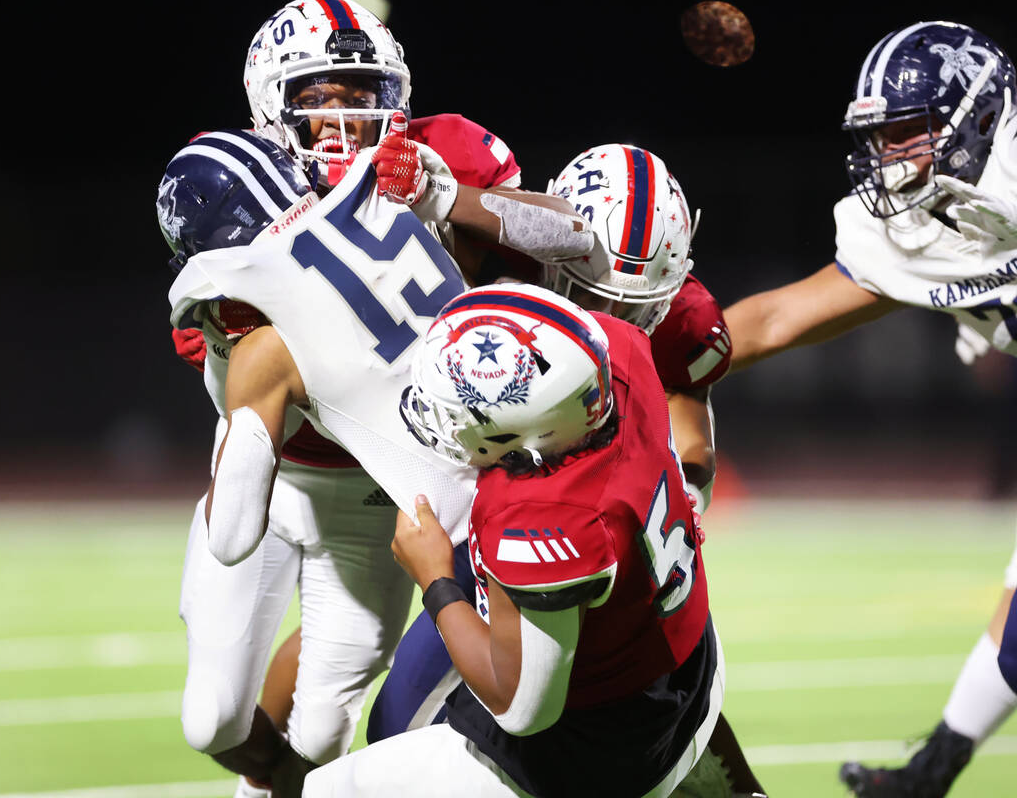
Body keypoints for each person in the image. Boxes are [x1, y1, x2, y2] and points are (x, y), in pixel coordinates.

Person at [166, 111, 591, 795]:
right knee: (221, 721)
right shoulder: (381, 186)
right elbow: (578, 235)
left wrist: (239, 360)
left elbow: (229, 532)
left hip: (426, 507)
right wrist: (441, 201)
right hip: (515, 452)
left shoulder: (260, 338)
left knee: (363, 737)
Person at [717, 19, 1017, 797]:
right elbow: (776, 320)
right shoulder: (908, 229)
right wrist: (631, 362)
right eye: (881, 139)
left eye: (908, 134)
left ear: (978, 114)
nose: (891, 158)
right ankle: (934, 770)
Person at [364, 142, 766, 797]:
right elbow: (525, 225)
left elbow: (690, 420)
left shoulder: (673, 325)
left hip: (554, 515)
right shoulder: (519, 246)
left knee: (412, 725)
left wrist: (685, 491)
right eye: (591, 293)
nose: (615, 323)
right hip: (527, 493)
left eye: (640, 308)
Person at [300, 282, 723, 798]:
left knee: (328, 791)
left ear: (524, 436)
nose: (442, 421)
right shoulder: (617, 355)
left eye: (456, 412)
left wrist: (435, 580)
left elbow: (522, 707)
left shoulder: (549, 515)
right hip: (686, 659)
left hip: (606, 745)